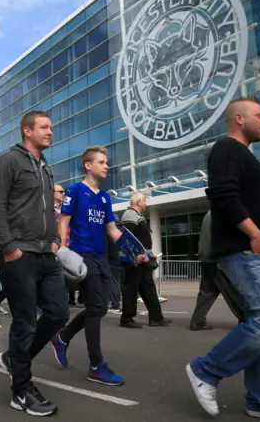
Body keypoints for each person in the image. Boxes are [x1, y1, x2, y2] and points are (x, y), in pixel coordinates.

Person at [186, 97, 260, 421]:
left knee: (259, 322)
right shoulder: (227, 148)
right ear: (239, 118)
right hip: (244, 251)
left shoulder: (244, 155)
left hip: (256, 252)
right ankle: (205, 370)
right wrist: (254, 234)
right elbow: (223, 195)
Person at [0, 110, 69, 417]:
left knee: (59, 313)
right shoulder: (9, 161)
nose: (50, 131)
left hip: (46, 254)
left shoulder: (45, 168)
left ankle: (13, 359)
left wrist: (56, 241)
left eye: (51, 126)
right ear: (27, 131)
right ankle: (21, 391)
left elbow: (49, 210)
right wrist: (8, 247)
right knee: (25, 323)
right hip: (19, 253)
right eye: (44, 127)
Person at [52, 146, 148, 386]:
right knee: (95, 309)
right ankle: (96, 366)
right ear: (88, 165)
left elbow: (113, 231)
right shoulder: (75, 190)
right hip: (82, 255)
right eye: (102, 162)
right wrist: (60, 250)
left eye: (107, 162)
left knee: (101, 307)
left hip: (101, 257)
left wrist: (136, 252)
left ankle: (62, 337)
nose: (107, 166)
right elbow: (63, 221)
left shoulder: (105, 197)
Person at [119, 192, 170, 328]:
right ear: (138, 201)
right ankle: (126, 319)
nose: (145, 204)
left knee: (148, 287)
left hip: (142, 258)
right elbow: (127, 238)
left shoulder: (135, 215)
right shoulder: (130, 215)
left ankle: (156, 317)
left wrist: (149, 254)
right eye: (144, 201)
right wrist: (135, 255)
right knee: (131, 288)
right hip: (135, 260)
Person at [189, 211, 246, 330]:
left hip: (206, 258)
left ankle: (197, 321)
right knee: (234, 291)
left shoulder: (209, 214)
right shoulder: (223, 213)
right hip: (218, 260)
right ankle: (248, 320)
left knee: (207, 292)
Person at [54, 184, 77, 306]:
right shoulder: (47, 210)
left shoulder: (66, 210)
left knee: (65, 280)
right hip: (54, 251)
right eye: (61, 192)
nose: (64, 194)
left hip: (68, 250)